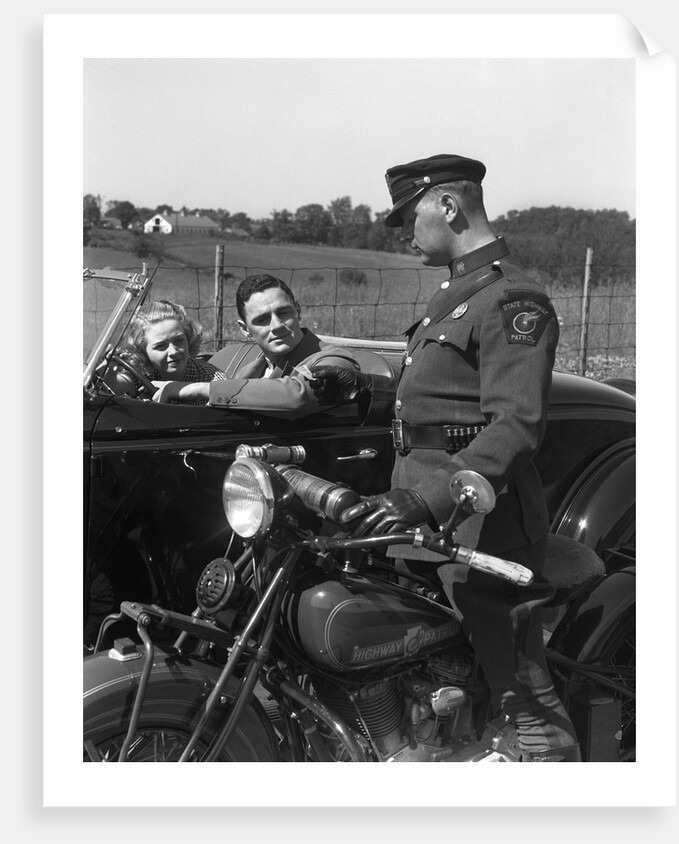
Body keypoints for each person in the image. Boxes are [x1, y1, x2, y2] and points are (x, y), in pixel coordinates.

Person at [310, 153, 580, 762]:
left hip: (481, 526)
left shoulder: (512, 299)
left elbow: (516, 426)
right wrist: (358, 389)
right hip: (424, 525)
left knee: (521, 692)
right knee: (423, 669)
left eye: (409, 217)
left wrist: (424, 498)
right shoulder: (458, 292)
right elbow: (442, 397)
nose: (405, 232)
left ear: (449, 206)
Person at [151, 273, 359, 418]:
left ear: (298, 311)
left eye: (284, 313)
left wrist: (196, 389)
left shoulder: (333, 360)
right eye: (262, 319)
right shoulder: (249, 368)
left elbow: (297, 396)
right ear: (245, 329)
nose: (277, 326)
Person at [108, 299, 228, 404]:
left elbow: (230, 394)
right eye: (161, 346)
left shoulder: (209, 376)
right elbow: (115, 388)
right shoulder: (141, 375)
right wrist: (107, 368)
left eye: (179, 340)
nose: (173, 352)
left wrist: (194, 389)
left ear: (189, 339)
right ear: (142, 351)